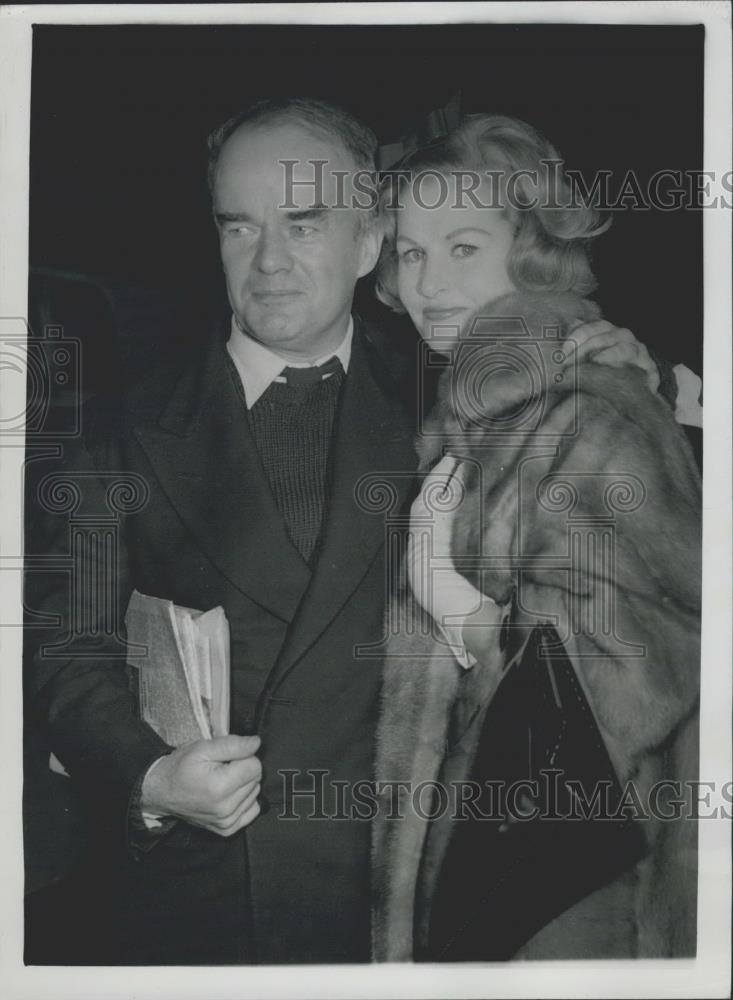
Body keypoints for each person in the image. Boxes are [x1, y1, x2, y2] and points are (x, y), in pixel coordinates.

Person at [23, 98, 672, 966]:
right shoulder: (119, 427)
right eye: (238, 226)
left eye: (302, 222)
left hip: (397, 907)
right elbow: (66, 641)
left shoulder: (459, 403)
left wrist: (623, 369)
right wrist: (146, 776)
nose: (269, 261)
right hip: (184, 905)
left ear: (367, 244)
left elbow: (619, 632)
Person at [371, 114, 701, 961]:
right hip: (482, 855)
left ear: (532, 250)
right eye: (410, 251)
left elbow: (640, 673)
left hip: (564, 889)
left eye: (463, 247)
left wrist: (474, 624)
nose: (429, 281)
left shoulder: (588, 413)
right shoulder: (471, 421)